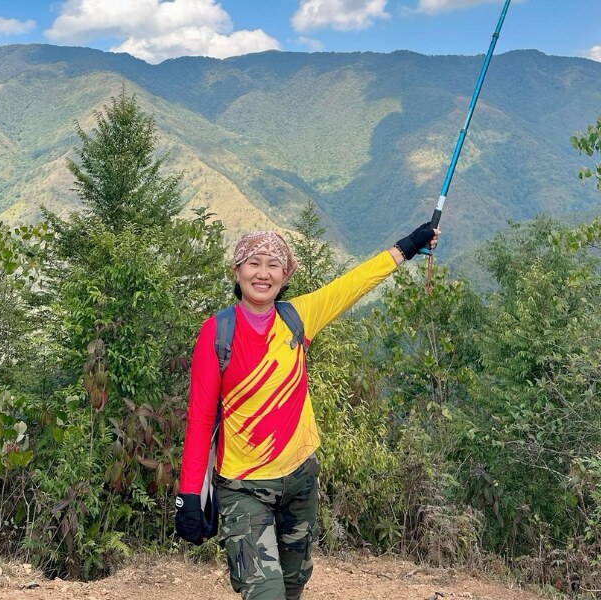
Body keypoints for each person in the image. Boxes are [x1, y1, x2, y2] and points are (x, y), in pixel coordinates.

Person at [175, 223, 439, 600]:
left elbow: (354, 284)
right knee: (265, 593)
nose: (262, 273)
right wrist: (188, 494)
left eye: (273, 265)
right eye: (253, 263)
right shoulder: (216, 333)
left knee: (293, 585)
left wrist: (408, 246)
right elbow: (200, 420)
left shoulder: (298, 317)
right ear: (237, 271)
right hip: (243, 488)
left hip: (299, 480)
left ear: (285, 276)